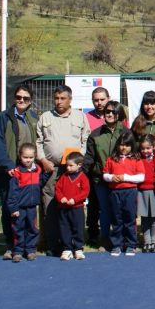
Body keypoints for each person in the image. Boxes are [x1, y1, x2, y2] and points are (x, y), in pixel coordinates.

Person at [36, 85, 90, 255]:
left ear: (70, 99)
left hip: (73, 171)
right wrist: (43, 160)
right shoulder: (45, 117)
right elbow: (38, 142)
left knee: (73, 206)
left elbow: (85, 140)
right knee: (50, 206)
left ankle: (75, 243)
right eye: (56, 98)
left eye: (62, 98)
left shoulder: (80, 117)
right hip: (51, 169)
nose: (58, 101)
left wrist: (76, 161)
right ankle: (54, 244)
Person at [0, 83, 38, 260]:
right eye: (19, 97)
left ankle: (27, 246)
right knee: (10, 209)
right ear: (14, 98)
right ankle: (11, 245)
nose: (21, 100)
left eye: (25, 98)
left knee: (28, 211)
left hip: (28, 172)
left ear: (30, 100)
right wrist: (8, 166)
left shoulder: (33, 118)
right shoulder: (2, 118)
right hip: (9, 173)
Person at [83, 100, 128, 251]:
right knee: (105, 210)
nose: (109, 114)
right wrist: (80, 174)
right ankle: (104, 240)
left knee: (120, 211)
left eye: (113, 112)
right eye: (107, 111)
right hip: (100, 180)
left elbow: (133, 155)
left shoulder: (126, 133)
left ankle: (121, 240)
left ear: (119, 114)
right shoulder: (95, 135)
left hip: (122, 181)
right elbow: (89, 158)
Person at [103, 130, 145, 257]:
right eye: (121, 144)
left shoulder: (136, 159)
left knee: (129, 218)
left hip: (130, 192)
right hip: (115, 192)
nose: (123, 148)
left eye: (127, 145)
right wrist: (111, 178)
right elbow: (105, 175)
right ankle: (117, 245)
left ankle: (131, 245)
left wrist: (125, 177)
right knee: (116, 218)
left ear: (132, 146)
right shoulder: (111, 159)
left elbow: (141, 177)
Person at [7, 143, 48, 263]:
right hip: (19, 208)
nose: (28, 160)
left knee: (32, 228)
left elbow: (40, 182)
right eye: (26, 157)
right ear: (20, 157)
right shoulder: (17, 173)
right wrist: (13, 208)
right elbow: (12, 193)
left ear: (34, 156)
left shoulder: (37, 170)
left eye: (31, 157)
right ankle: (18, 251)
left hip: (32, 207)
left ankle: (30, 250)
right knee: (18, 229)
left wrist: (47, 174)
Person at [55, 151, 89, 261]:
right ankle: (67, 249)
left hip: (77, 208)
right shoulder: (63, 177)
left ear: (79, 165)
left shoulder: (83, 177)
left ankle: (78, 249)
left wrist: (75, 199)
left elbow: (85, 191)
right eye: (67, 165)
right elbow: (58, 189)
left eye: (71, 165)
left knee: (78, 228)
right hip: (63, 209)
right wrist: (61, 198)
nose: (68, 168)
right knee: (64, 228)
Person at [137, 135, 155, 253]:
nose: (145, 151)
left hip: (154, 191)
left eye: (148, 148)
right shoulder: (137, 160)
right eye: (143, 148)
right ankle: (147, 242)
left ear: (154, 147)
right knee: (145, 218)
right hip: (141, 192)